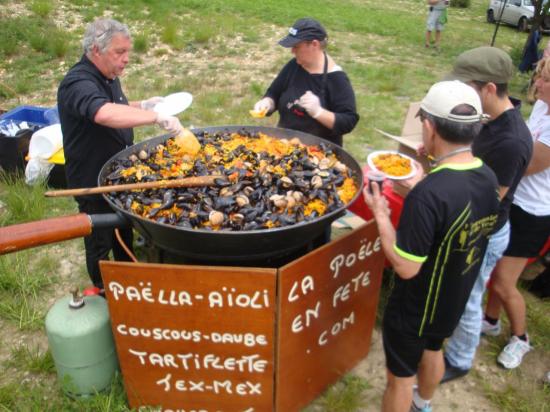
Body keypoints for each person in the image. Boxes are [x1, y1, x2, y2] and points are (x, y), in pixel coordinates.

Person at [364, 80, 499, 412]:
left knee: (398, 378)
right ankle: (422, 405)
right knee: (435, 348)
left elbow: (406, 266)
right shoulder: (488, 177)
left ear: (429, 126)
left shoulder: (429, 195)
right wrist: (430, 177)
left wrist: (381, 215)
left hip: (416, 306)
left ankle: (409, 402)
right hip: (455, 294)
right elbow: (459, 214)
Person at [57, 18, 184, 291]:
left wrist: (144, 104)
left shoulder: (108, 75)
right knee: (99, 238)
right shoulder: (77, 82)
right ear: (96, 50)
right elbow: (103, 112)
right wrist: (154, 117)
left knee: (123, 229)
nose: (126, 59)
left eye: (128, 51)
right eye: (119, 52)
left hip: (117, 173)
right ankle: (103, 290)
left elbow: (117, 104)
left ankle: (129, 282)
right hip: (91, 179)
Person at [441, 47, 533, 382]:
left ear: (489, 89)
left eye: (466, 87)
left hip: (485, 230)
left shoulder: (511, 140)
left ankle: (461, 359)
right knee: (459, 291)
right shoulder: (488, 118)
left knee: (469, 298)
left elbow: (489, 198)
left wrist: (442, 187)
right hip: (471, 221)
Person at [482, 57, 550, 369]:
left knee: (505, 282)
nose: (537, 84)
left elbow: (527, 164)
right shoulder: (541, 107)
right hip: (516, 200)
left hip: (533, 212)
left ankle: (521, 338)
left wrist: (493, 160)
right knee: (497, 271)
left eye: (546, 81)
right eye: (541, 77)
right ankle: (491, 319)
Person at [253, 17, 359, 147]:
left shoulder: (337, 79)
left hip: (318, 155)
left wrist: (318, 112)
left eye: (296, 46)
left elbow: (348, 121)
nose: (292, 51)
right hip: (283, 146)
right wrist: (267, 103)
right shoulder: (294, 66)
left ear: (314, 44)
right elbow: (274, 93)